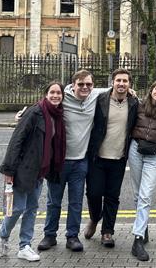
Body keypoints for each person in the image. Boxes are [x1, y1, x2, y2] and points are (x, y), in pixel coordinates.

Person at [0, 81, 66, 262]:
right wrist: (9, 169)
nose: (55, 96)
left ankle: (24, 246)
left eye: (59, 93)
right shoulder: (35, 112)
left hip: (39, 170)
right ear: (45, 94)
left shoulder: (57, 115)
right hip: (22, 169)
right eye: (52, 92)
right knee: (17, 208)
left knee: (32, 208)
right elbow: (17, 140)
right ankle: (3, 233)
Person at [38, 70, 106, 253]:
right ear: (73, 85)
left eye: (89, 85)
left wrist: (130, 91)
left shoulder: (94, 96)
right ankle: (50, 235)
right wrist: (22, 115)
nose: (85, 87)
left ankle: (72, 236)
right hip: (59, 161)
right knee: (54, 202)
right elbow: (43, 106)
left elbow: (115, 88)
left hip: (80, 162)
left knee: (76, 202)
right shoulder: (63, 97)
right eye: (81, 84)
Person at [84, 68, 139, 248]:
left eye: (125, 81)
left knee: (112, 196)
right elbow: (72, 89)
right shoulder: (100, 99)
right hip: (97, 157)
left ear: (130, 84)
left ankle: (107, 231)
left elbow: (153, 110)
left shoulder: (134, 102)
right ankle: (94, 218)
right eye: (118, 81)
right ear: (112, 82)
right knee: (93, 193)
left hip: (119, 158)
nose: (121, 84)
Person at [128, 78, 156, 261]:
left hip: (154, 153)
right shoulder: (138, 104)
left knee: (146, 195)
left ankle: (137, 240)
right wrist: (130, 91)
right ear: (151, 89)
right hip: (136, 149)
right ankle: (143, 228)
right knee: (138, 194)